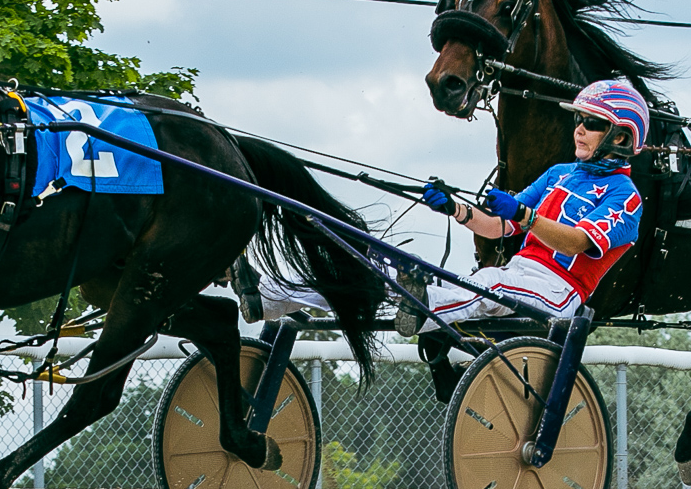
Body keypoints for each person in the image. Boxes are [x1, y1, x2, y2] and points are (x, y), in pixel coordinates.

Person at [248, 79, 649, 331]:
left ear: (621, 137)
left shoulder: (625, 197)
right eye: (578, 119)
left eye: (592, 123)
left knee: (488, 283)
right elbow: (496, 226)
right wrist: (455, 208)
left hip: (556, 292)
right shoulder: (559, 173)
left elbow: (576, 242)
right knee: (379, 273)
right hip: (514, 275)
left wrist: (524, 215)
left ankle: (422, 306)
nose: (579, 129)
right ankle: (270, 295)